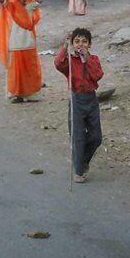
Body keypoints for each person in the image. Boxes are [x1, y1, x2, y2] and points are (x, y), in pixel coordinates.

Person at [54, 27, 104, 183]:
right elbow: (58, 64)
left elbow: (97, 75)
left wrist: (87, 59)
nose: (80, 44)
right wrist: (65, 46)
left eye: (84, 42)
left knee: (96, 137)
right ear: (72, 44)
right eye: (76, 41)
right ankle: (78, 171)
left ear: (89, 45)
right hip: (76, 100)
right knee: (78, 137)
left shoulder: (94, 59)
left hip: (91, 100)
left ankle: (82, 161)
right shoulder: (69, 61)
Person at [0, 0, 43, 102]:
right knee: (16, 71)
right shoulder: (12, 6)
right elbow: (1, 1)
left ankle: (30, 94)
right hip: (15, 43)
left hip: (29, 42)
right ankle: (17, 95)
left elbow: (40, 1)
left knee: (30, 69)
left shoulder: (31, 6)